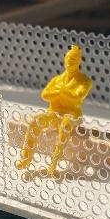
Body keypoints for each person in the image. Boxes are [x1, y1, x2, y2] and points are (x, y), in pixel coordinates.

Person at [17, 45, 92, 174]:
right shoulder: (57, 79)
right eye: (68, 59)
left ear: (78, 62)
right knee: (35, 121)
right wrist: (60, 92)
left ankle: (53, 164)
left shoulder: (85, 81)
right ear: (64, 59)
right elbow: (45, 94)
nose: (70, 62)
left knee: (65, 126)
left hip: (72, 115)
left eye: (73, 59)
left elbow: (77, 97)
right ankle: (26, 158)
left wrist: (61, 91)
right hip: (54, 113)